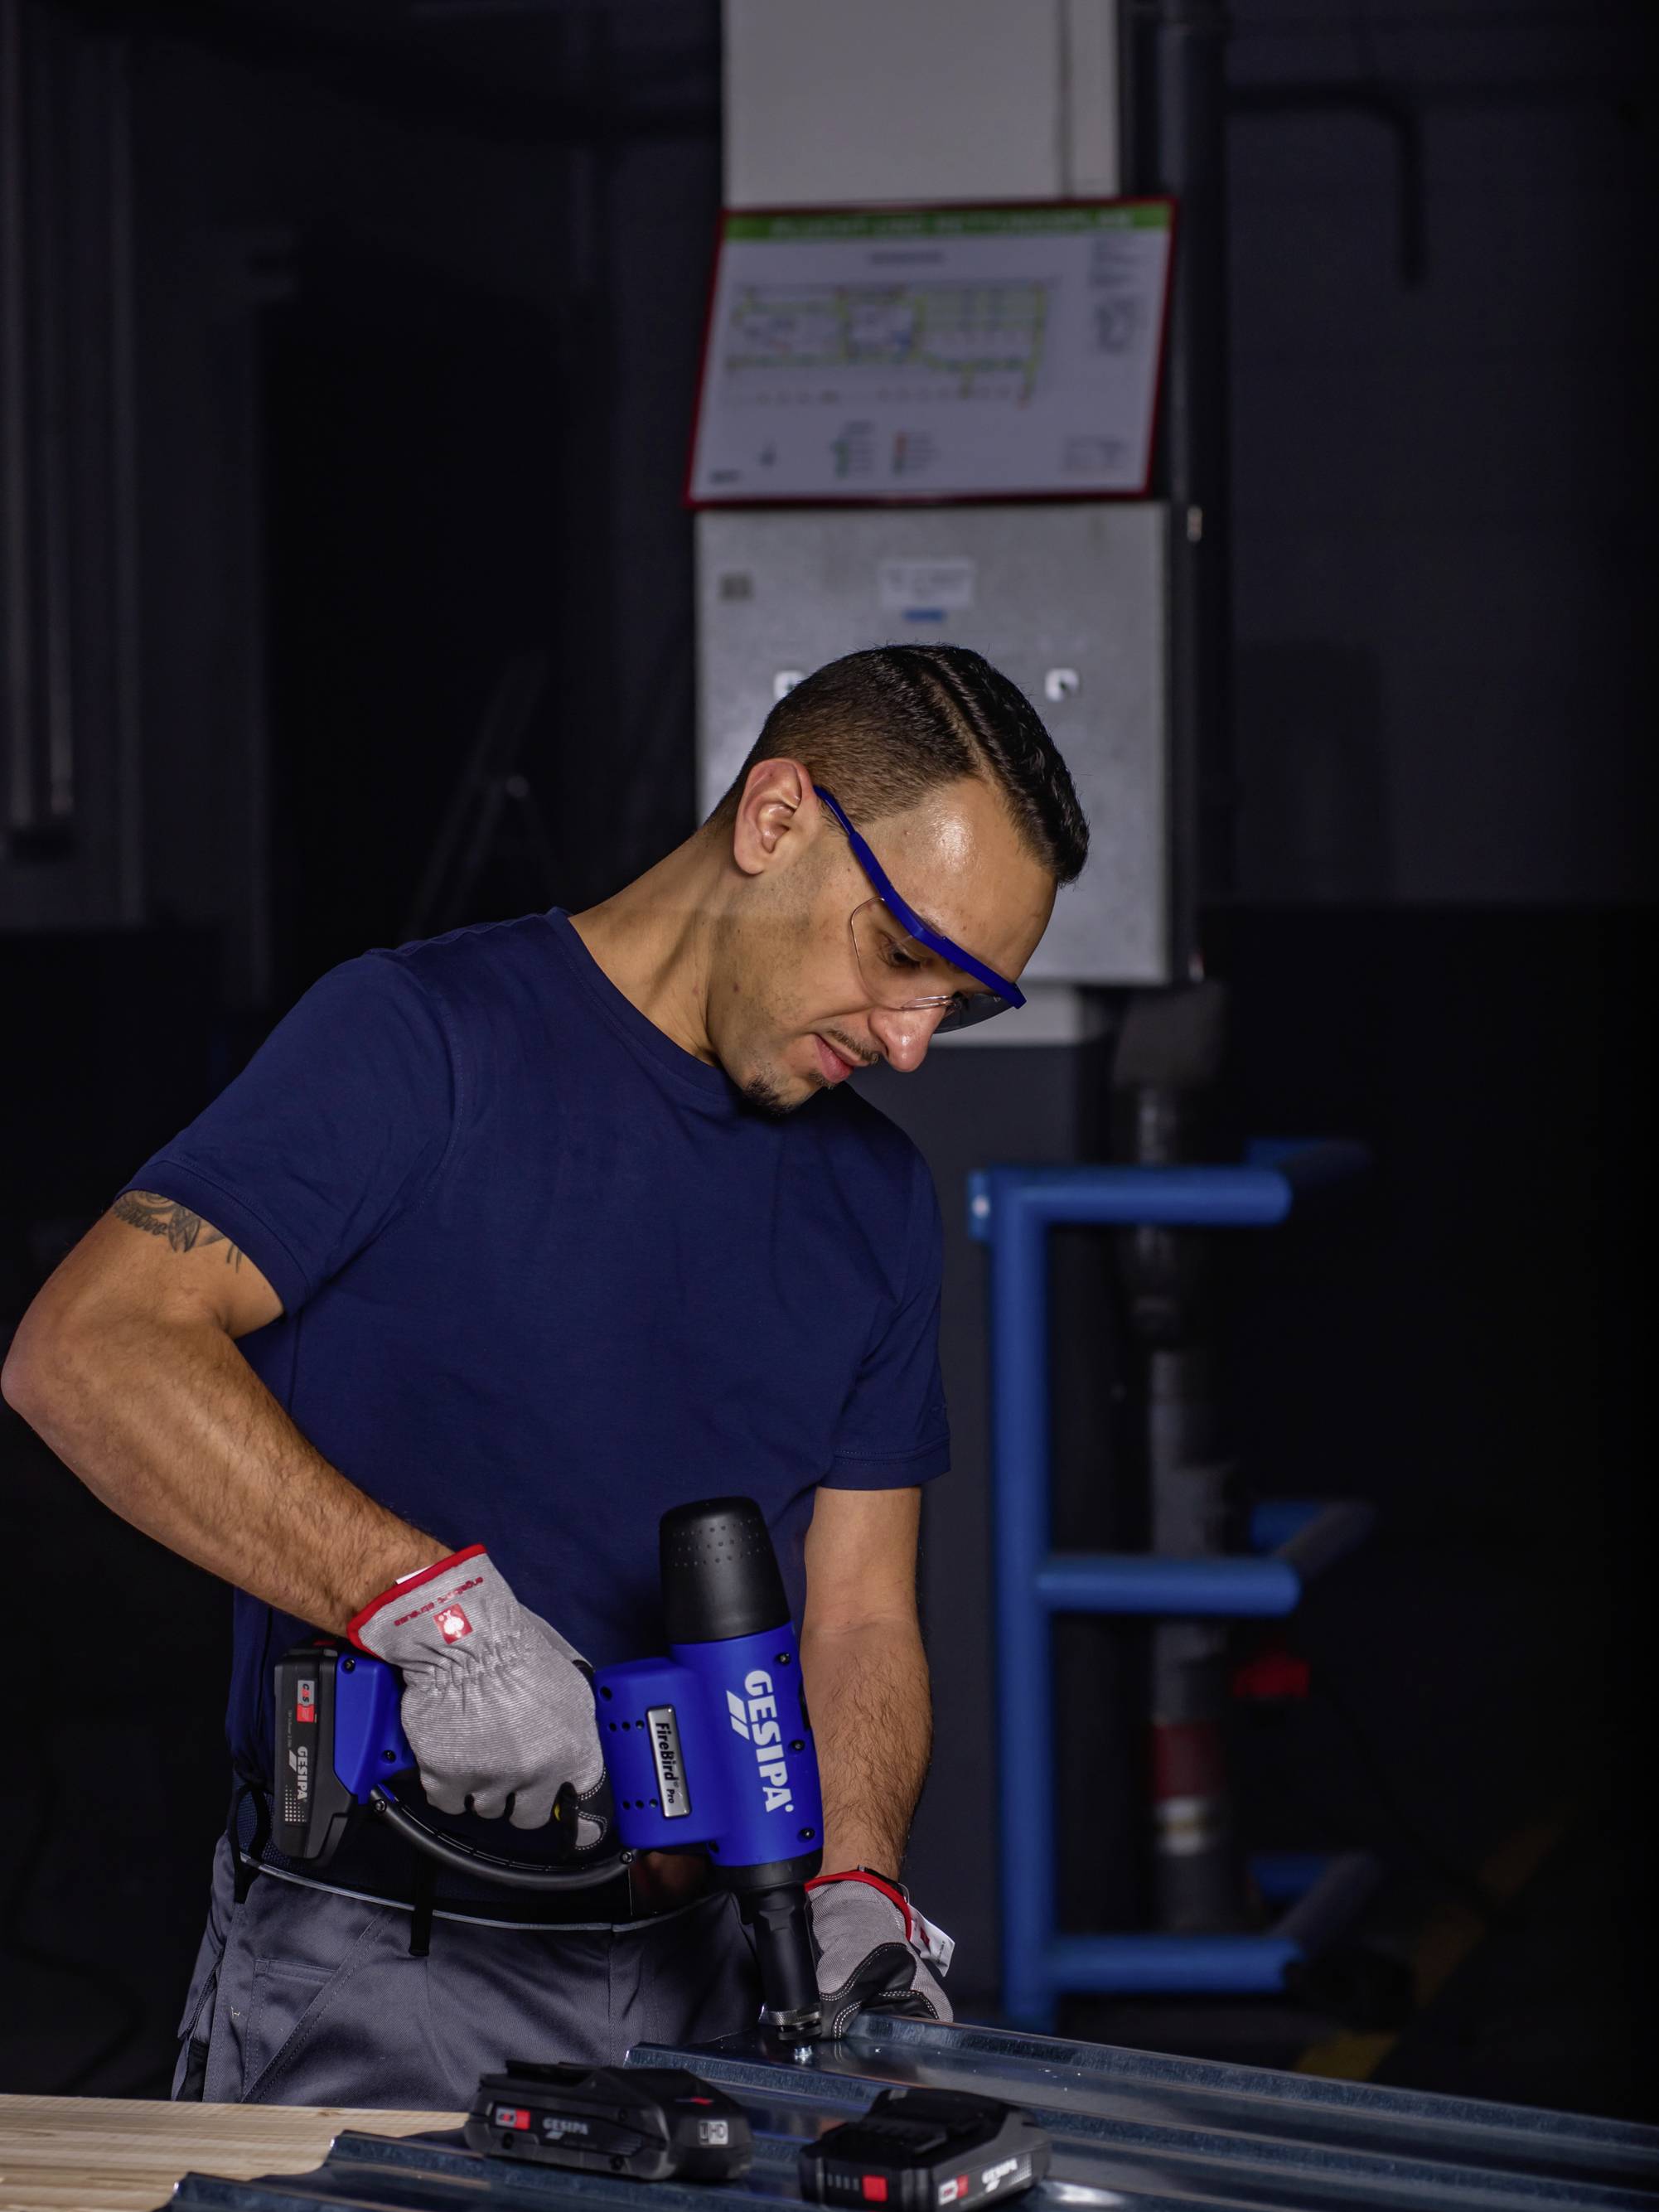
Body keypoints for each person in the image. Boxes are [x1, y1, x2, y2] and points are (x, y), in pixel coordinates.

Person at [2, 645, 1087, 2107]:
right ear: (775, 818)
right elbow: (89, 1349)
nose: (908, 1044)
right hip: (386, 1969)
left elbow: (856, 1613)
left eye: (961, 1003)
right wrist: (440, 1625)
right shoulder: (420, 1044)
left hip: (724, 1983)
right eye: (901, 956)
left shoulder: (876, 1201)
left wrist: (853, 1882)